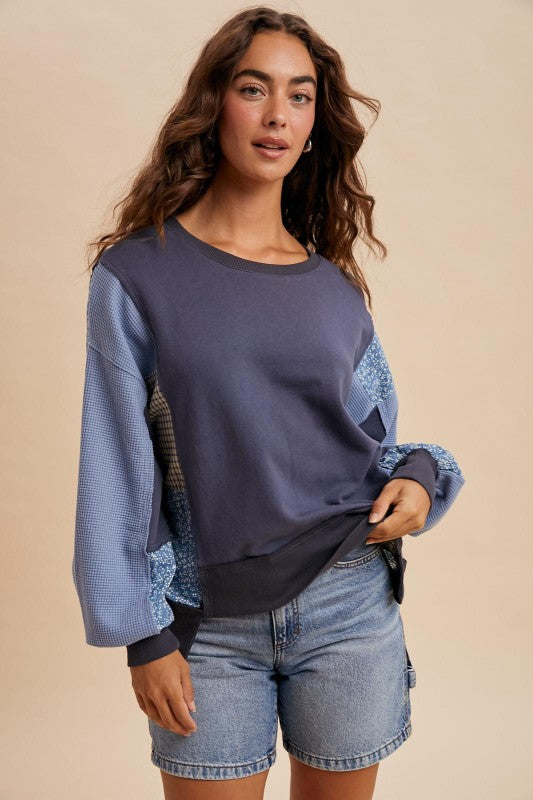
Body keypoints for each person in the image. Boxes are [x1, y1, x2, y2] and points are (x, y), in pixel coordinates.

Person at [72, 7, 465, 799]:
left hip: (349, 605)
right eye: (254, 89)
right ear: (214, 103)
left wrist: (423, 478)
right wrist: (144, 636)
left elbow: (373, 442)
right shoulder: (137, 276)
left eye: (300, 95)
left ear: (315, 124)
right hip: (206, 623)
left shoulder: (332, 289)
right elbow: (114, 462)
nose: (278, 114)